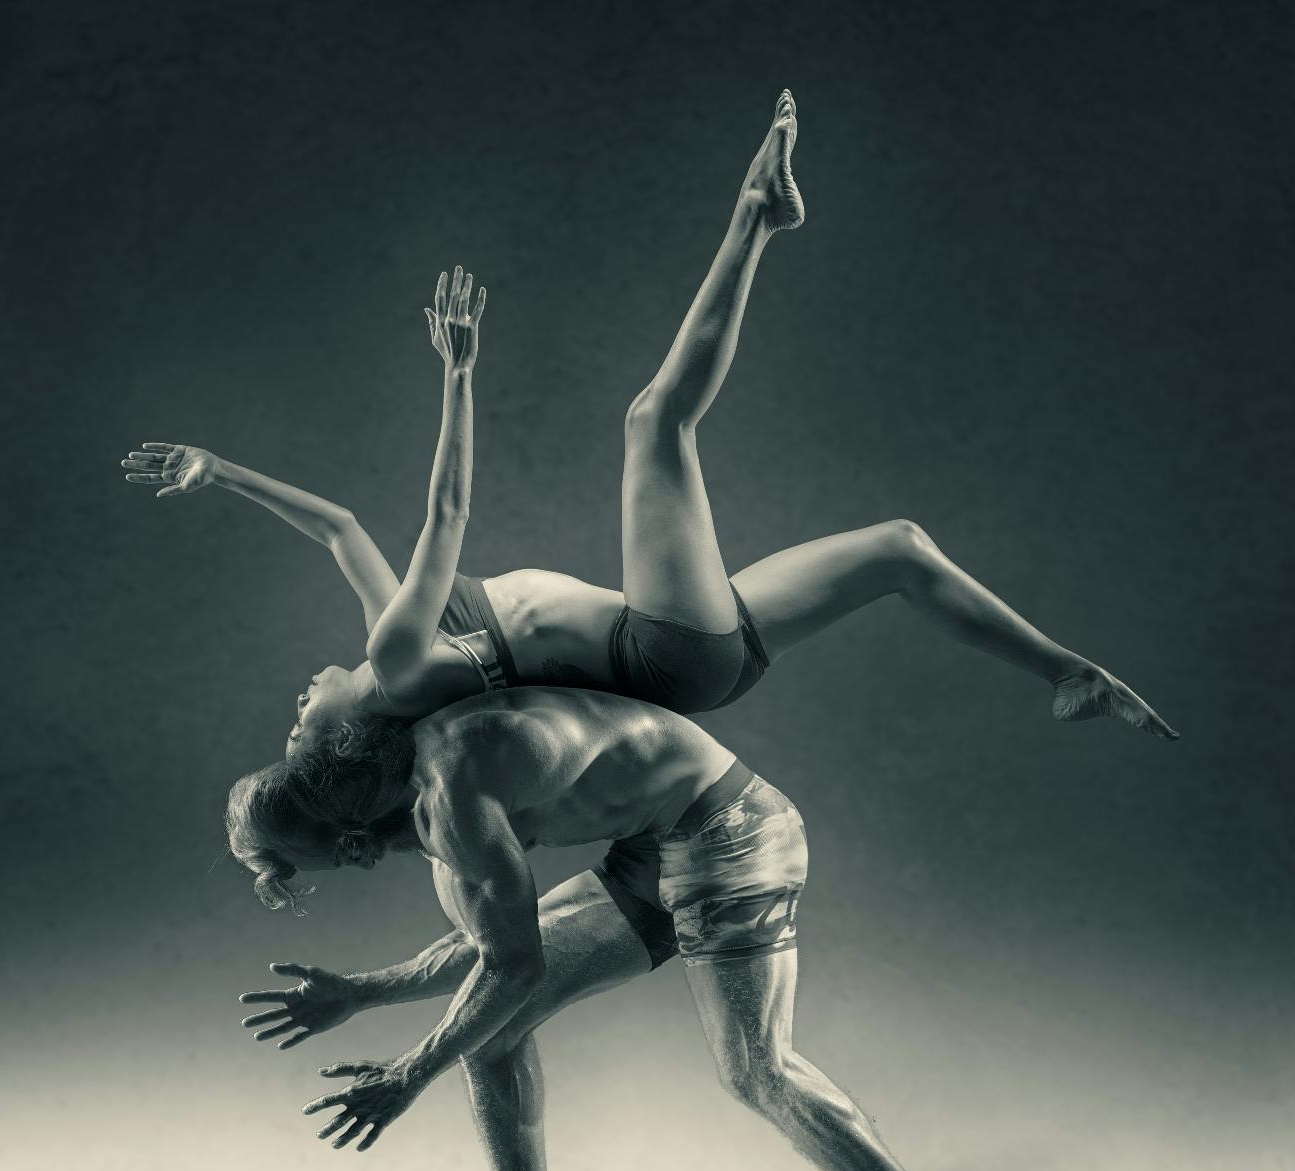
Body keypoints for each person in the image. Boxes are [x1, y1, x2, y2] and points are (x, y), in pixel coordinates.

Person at [125, 91, 1174, 909]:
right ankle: (756, 216)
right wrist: (456, 375)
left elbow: (341, 530)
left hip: (683, 652)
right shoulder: (398, 661)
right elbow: (438, 515)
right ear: (340, 735)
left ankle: (1065, 672)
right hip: (663, 652)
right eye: (296, 720)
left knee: (897, 546)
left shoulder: (392, 657)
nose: (297, 696)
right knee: (652, 422)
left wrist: (220, 473)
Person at [229, 684, 992, 1171]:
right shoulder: (409, 776)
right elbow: (493, 948)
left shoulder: (450, 801)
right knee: (488, 1040)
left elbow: (511, 964)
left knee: (757, 1071)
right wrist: (360, 992)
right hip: (652, 848)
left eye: (329, 865)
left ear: (354, 839)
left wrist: (406, 1074)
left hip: (733, 831)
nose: (359, 869)